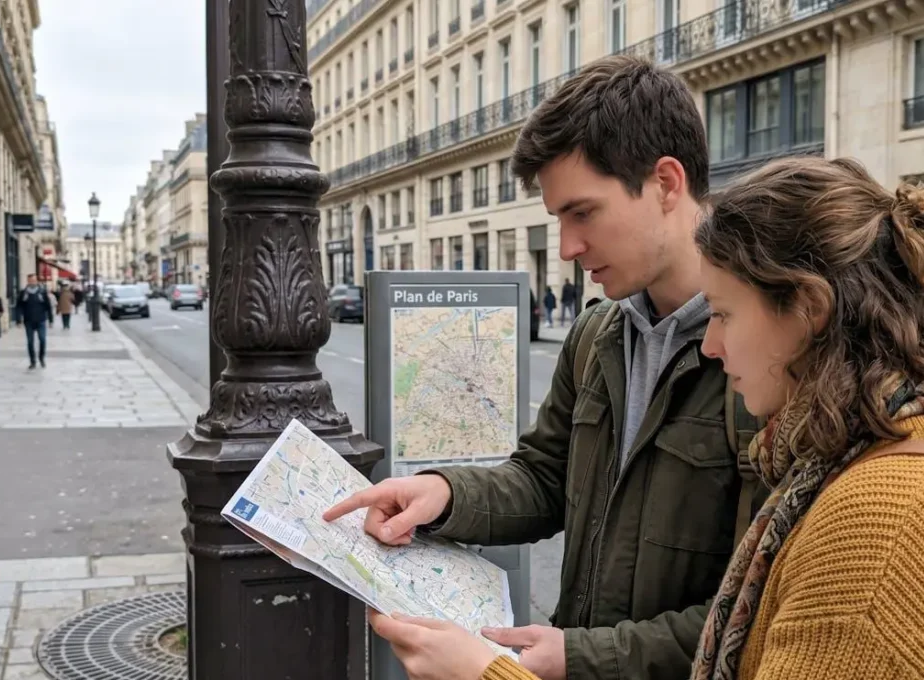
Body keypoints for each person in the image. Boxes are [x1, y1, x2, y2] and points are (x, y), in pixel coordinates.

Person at [374, 157, 924, 680]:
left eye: (728, 315)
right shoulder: (915, 439)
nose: (711, 343)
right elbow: (548, 476)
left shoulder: (884, 526)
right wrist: (451, 493)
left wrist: (488, 673)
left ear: (807, 310)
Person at [325, 54, 764, 680]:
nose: (567, 248)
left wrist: (578, 658)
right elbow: (546, 478)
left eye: (583, 213)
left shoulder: (767, 355)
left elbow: (760, 608)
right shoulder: (596, 333)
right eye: (558, 220)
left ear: (667, 183)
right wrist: (444, 494)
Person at [15, 274, 54, 369]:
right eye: (30, 280)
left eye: (33, 280)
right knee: (30, 342)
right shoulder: (24, 293)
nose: (32, 282)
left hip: (41, 320)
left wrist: (51, 319)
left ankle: (41, 357)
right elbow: (19, 306)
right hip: (28, 320)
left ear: (37, 281)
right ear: (27, 281)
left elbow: (48, 306)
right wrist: (18, 320)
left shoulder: (42, 292)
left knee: (42, 340)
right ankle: (32, 361)